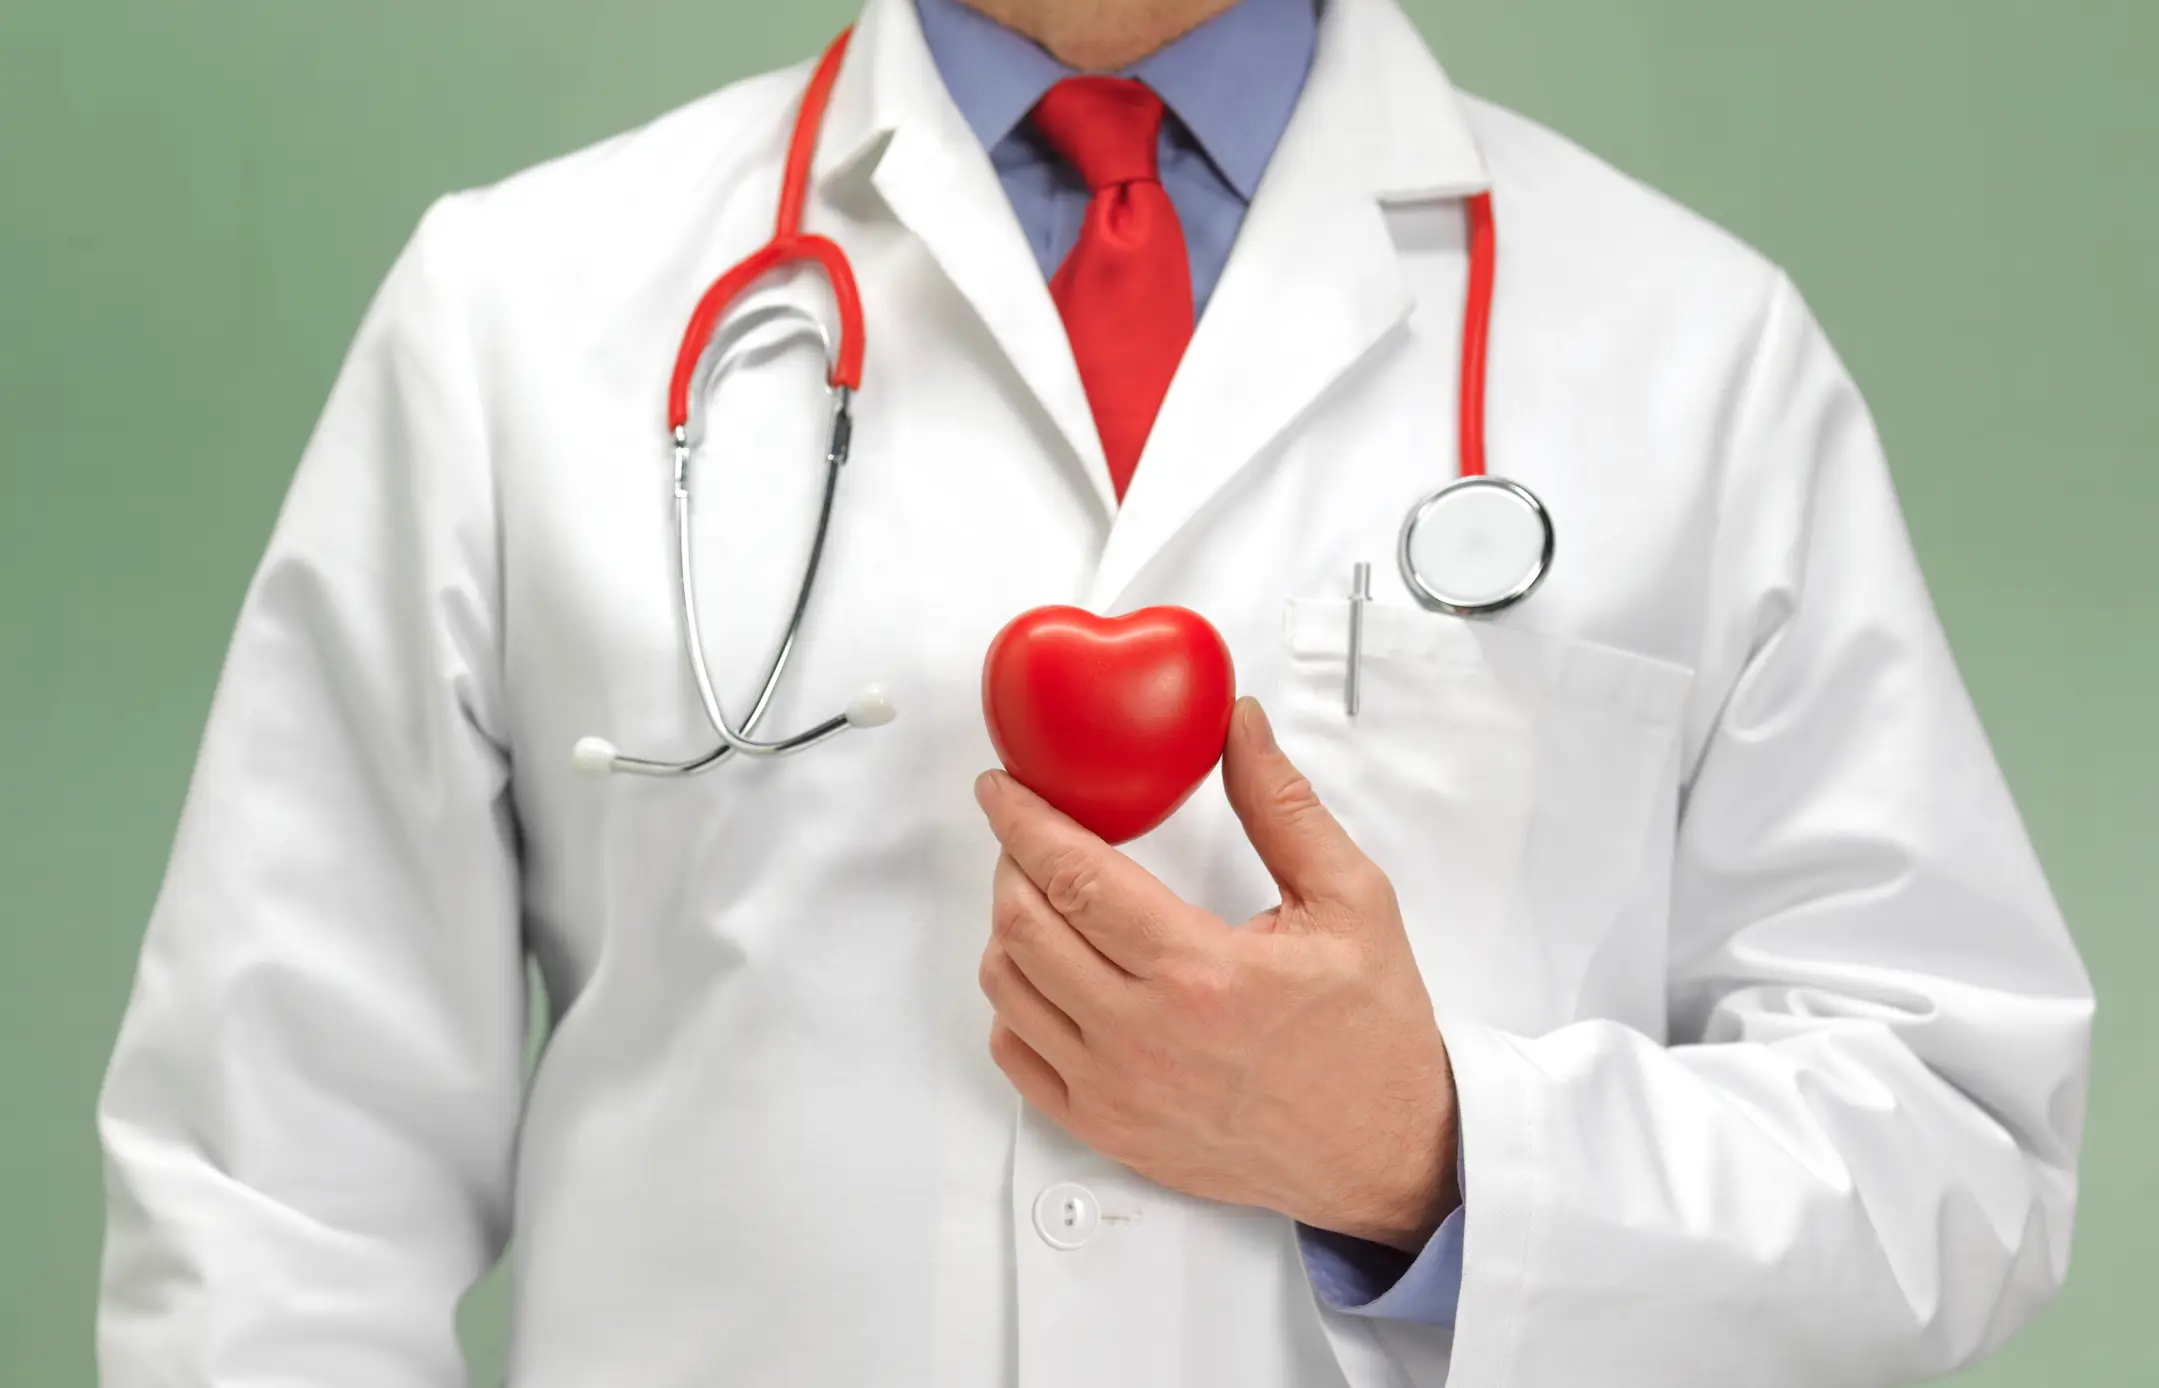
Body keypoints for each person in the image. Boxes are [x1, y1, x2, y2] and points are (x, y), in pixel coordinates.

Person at [96, 0, 2094, 1383]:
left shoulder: (1692, 350)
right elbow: (276, 1197)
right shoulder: (513, 314)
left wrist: (1432, 1155)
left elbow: (1954, 1148)